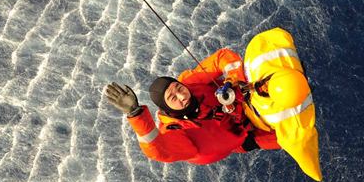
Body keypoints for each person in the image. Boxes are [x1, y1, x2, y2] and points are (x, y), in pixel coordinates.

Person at [104, 48, 280, 165]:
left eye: (179, 88)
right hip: (249, 136)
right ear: (167, 107)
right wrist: (135, 114)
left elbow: (223, 58)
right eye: (172, 97)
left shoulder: (192, 82)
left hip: (244, 103)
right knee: (299, 131)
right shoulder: (178, 132)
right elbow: (159, 150)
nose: (182, 96)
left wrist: (233, 80)